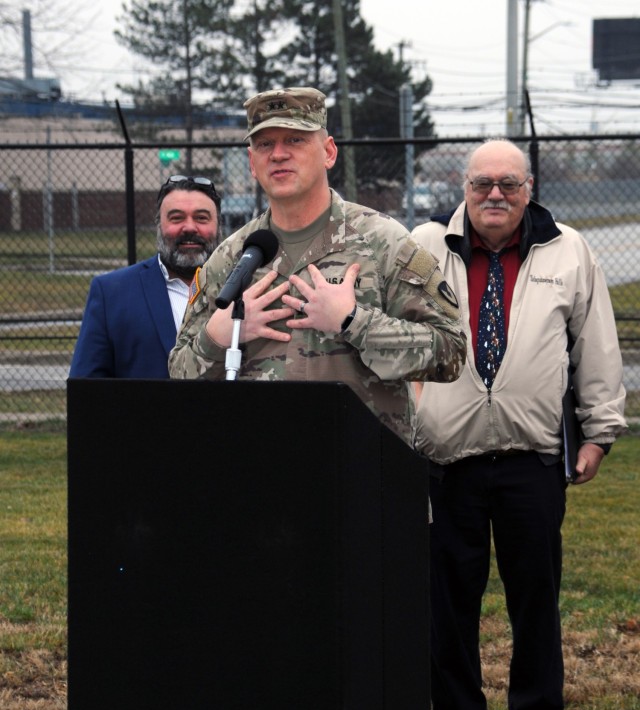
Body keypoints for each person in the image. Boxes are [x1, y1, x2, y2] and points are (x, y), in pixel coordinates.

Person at [412, 138, 627, 710]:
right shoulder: (426, 248)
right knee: (448, 603)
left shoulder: (569, 252)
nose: (494, 195)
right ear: (464, 188)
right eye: (482, 184)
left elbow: (596, 345)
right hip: (446, 460)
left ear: (528, 187)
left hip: (530, 461)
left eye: (508, 183)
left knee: (536, 600)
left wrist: (597, 432)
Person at [169, 87, 466, 445]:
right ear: (251, 162)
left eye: (295, 139)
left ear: (328, 152)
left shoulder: (383, 242)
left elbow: (451, 352)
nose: (278, 154)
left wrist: (354, 322)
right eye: (265, 144)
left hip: (364, 473)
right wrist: (219, 337)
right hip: (261, 476)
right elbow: (179, 375)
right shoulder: (233, 257)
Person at [69, 175, 221, 378]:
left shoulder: (248, 288)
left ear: (218, 225)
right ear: (158, 225)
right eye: (176, 218)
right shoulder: (112, 294)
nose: (190, 227)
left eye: (201, 218)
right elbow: (86, 389)